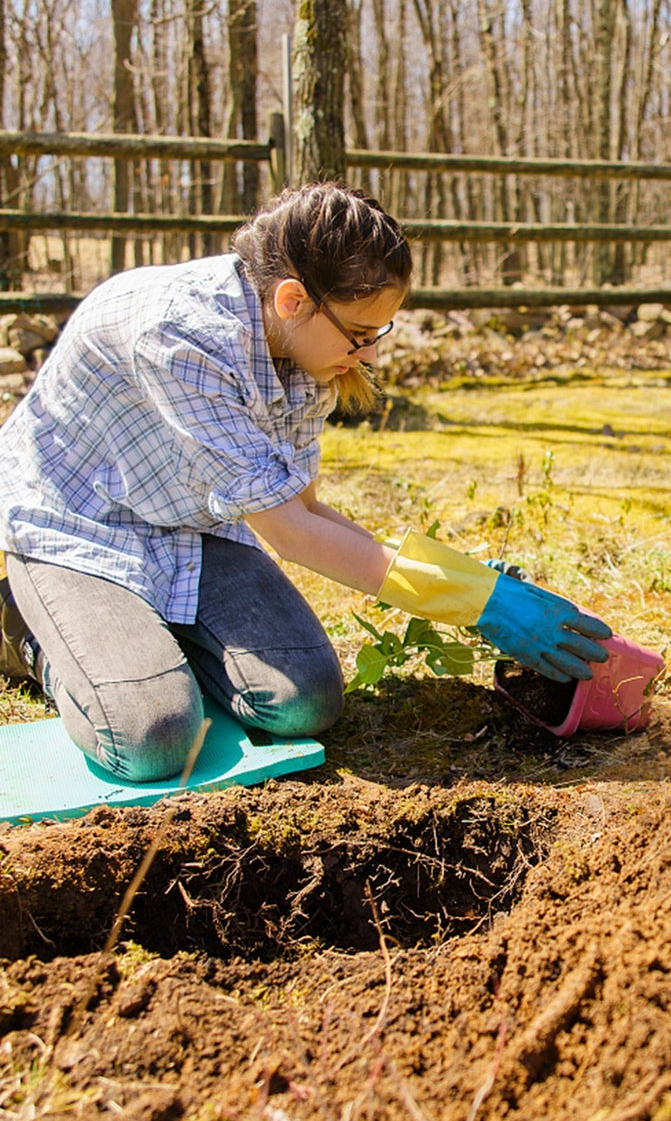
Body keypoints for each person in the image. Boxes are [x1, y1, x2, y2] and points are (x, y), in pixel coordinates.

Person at [0, 182, 609, 783]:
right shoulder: (181, 337)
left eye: (379, 334)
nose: (368, 356)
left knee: (305, 701)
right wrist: (471, 605)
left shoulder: (303, 351)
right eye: (361, 335)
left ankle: (142, 649)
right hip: (80, 528)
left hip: (192, 524)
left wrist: (464, 580)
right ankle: (27, 634)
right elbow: (290, 534)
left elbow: (305, 508)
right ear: (294, 299)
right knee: (151, 738)